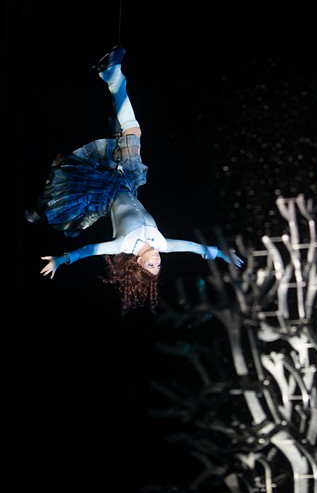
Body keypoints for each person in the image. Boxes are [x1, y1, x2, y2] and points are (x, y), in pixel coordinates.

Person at [25, 45, 243, 314]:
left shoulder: (124, 245)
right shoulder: (162, 243)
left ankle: (41, 210)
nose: (158, 262)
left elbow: (88, 250)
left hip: (103, 192)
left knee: (63, 169)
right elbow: (195, 248)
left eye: (152, 266)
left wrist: (62, 260)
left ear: (138, 265)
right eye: (159, 266)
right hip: (127, 180)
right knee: (134, 131)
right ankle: (113, 75)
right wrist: (223, 254)